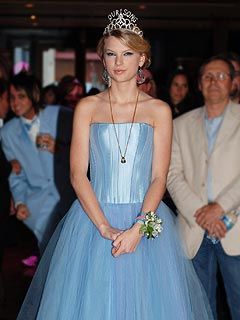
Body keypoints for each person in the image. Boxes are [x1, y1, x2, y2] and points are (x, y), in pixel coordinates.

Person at [17, 9, 213, 320]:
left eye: (127, 53)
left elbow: (159, 177)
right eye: (111, 54)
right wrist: (104, 225)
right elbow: (78, 174)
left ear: (142, 59)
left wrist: (139, 228)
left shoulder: (159, 110)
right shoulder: (87, 107)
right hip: (93, 219)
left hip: (145, 219)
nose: (119, 62)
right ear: (103, 58)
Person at [167, 55, 240, 320]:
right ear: (199, 84)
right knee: (199, 309)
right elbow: (171, 175)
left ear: (233, 83)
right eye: (208, 76)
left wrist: (219, 208)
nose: (214, 81)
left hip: (235, 228)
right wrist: (202, 213)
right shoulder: (179, 125)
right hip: (193, 228)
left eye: (221, 76)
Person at [0, 72, 61, 260]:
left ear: (33, 95)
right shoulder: (8, 132)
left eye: (21, 96)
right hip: (37, 204)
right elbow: (15, 175)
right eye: (11, 97)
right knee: (51, 259)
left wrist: (59, 149)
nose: (15, 103)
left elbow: (83, 154)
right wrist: (19, 202)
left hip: (67, 197)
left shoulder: (57, 116)